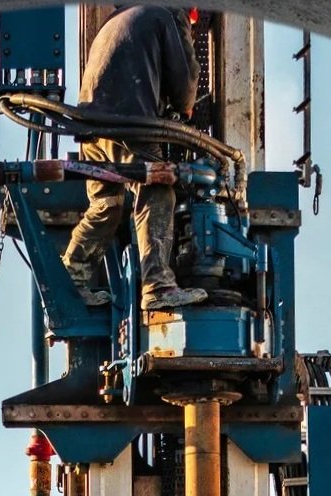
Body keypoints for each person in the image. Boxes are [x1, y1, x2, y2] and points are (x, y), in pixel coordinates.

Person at [61, 7, 209, 312]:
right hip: (131, 123)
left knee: (106, 204)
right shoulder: (166, 15)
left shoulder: (115, 20)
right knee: (155, 190)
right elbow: (184, 81)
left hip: (90, 127)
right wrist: (185, 108)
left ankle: (69, 283)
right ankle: (158, 285)